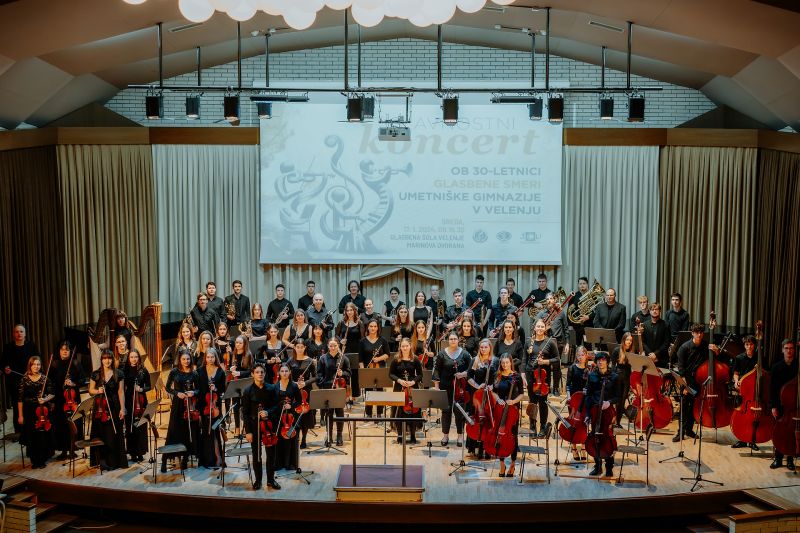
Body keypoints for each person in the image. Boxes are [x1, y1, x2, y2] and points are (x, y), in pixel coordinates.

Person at [674, 323, 720, 442]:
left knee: (694, 407)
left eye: (701, 332)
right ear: (692, 333)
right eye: (696, 332)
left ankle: (689, 430)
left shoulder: (705, 345)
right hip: (687, 381)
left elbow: (716, 358)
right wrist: (685, 386)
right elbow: (681, 369)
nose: (699, 335)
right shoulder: (684, 348)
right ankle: (680, 432)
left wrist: (717, 351)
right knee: (684, 407)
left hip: (700, 382)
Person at [241, 364, 281, 490]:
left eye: (262, 372)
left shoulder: (272, 388)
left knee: (271, 454)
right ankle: (258, 480)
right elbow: (245, 413)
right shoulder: (247, 391)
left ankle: (270, 480)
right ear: (252, 374)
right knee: (256, 454)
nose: (260, 374)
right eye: (257, 372)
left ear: (265, 373)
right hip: (254, 426)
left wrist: (268, 412)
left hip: (269, 425)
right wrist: (248, 431)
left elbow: (278, 405)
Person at [89, 350, 127, 471]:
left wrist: (122, 408)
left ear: (112, 359)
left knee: (113, 434)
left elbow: (121, 391)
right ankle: (101, 460)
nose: (107, 361)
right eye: (105, 358)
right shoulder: (95, 374)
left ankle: (115, 461)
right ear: (101, 360)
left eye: (109, 358)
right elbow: (91, 390)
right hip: (100, 407)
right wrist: (98, 391)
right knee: (101, 433)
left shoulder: (119, 373)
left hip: (114, 406)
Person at [162, 350, 200, 472]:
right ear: (180, 359)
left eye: (188, 359)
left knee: (187, 431)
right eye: (183, 359)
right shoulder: (174, 371)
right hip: (178, 404)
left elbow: (199, 389)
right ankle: (165, 458)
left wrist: (193, 392)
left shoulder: (194, 373)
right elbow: (168, 388)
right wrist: (177, 393)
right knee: (173, 430)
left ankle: (185, 457)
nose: (186, 361)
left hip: (189, 405)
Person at [432, 331, 472, 447]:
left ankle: (460, 435)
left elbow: (471, 369)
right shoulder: (442, 354)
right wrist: (437, 387)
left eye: (455, 339)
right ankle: (445, 435)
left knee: (459, 412)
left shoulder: (465, 354)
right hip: (445, 387)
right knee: (446, 411)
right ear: (448, 340)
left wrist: (463, 374)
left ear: (458, 340)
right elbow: (437, 370)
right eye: (451, 339)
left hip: (460, 389)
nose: (453, 341)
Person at [584, 351, 618, 477]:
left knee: (607, 438)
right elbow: (588, 396)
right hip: (594, 411)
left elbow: (619, 396)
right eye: (598, 360)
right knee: (595, 438)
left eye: (603, 360)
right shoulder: (592, 376)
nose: (600, 362)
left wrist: (609, 402)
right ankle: (597, 466)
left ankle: (609, 467)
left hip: (608, 411)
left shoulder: (614, 377)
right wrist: (588, 414)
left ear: (607, 362)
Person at [522, 319, 559, 437]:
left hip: (544, 376)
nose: (540, 328)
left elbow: (557, 359)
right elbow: (524, 359)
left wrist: (545, 361)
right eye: (538, 326)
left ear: (545, 328)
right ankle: (532, 426)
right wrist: (523, 373)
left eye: (542, 326)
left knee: (543, 402)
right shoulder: (529, 341)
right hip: (530, 374)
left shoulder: (550, 342)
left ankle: (543, 427)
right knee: (532, 401)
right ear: (534, 328)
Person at [17, 355, 55, 468]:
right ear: (30, 365)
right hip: (29, 411)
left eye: (38, 364)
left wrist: (45, 399)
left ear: (40, 366)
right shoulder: (24, 379)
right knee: (32, 435)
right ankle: (34, 460)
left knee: (42, 435)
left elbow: (52, 394)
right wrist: (20, 416)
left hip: (42, 411)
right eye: (34, 364)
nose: (36, 366)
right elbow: (20, 399)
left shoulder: (45, 378)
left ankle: (42, 458)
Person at [490, 354, 524, 477]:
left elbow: (521, 394)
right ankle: (502, 464)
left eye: (507, 362)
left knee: (513, 436)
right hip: (500, 409)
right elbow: (493, 391)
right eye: (503, 363)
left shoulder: (517, 376)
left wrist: (513, 401)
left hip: (512, 410)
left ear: (511, 363)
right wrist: (498, 399)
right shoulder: (497, 375)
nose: (505, 365)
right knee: (500, 436)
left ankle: (513, 463)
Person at [50, 340, 84, 459]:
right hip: (60, 399)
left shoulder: (75, 363)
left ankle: (72, 448)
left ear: (70, 351)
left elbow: (83, 380)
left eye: (67, 350)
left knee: (74, 423)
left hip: (73, 399)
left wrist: (73, 383)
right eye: (62, 349)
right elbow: (50, 383)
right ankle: (63, 450)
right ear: (59, 351)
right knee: (61, 424)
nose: (65, 352)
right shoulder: (54, 364)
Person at [466, 339, 497, 458]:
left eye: (486, 347)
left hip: (490, 395)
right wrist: (477, 386)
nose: (483, 349)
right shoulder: (475, 360)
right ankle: (474, 446)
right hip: (477, 396)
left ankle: (487, 448)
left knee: (488, 421)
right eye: (481, 347)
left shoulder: (495, 361)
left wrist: (492, 386)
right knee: (476, 420)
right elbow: (469, 376)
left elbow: (498, 377)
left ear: (490, 348)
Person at [317, 337, 351, 447]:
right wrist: (323, 384)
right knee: (329, 412)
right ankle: (329, 436)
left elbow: (349, 373)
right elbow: (319, 374)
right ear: (328, 346)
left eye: (335, 346)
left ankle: (339, 436)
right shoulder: (323, 358)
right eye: (330, 346)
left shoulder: (343, 358)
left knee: (339, 412)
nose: (332, 348)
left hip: (339, 388)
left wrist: (343, 374)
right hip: (327, 388)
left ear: (338, 346)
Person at [535, 291, 570, 394]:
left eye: (551, 299)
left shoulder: (561, 312)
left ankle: (555, 387)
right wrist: (545, 328)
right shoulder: (542, 314)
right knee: (546, 366)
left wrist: (567, 343)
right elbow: (535, 328)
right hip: (545, 342)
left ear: (555, 300)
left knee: (556, 366)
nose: (549, 301)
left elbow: (566, 329)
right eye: (547, 299)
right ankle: (547, 387)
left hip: (558, 342)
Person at [770, 339, 797, 470]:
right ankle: (778, 458)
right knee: (779, 432)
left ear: (794, 350)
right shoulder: (776, 367)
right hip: (781, 405)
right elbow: (772, 389)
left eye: (791, 348)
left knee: (792, 432)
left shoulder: (798, 366)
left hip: (795, 405)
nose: (789, 351)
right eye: (786, 348)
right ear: (782, 350)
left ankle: (790, 458)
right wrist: (773, 406)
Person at [389, 338, 422, 444]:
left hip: (412, 387)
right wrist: (399, 380)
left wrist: (413, 382)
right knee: (399, 412)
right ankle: (400, 435)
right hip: (399, 387)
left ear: (410, 346)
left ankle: (413, 435)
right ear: (400, 347)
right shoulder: (396, 359)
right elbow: (391, 374)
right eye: (403, 346)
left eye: (406, 346)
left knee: (414, 412)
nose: (405, 348)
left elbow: (420, 375)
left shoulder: (415, 359)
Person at [197, 349, 225, 469]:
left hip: (215, 406)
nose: (210, 359)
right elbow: (198, 389)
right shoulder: (200, 371)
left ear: (215, 358)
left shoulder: (220, 371)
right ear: (205, 358)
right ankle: (206, 459)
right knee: (205, 433)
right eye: (208, 357)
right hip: (203, 406)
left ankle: (218, 458)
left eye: (212, 357)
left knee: (215, 432)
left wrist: (216, 389)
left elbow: (223, 388)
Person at [730, 335, 760, 449]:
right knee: (742, 416)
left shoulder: (760, 358)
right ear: (744, 346)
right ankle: (741, 439)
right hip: (743, 390)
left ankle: (752, 440)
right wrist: (736, 381)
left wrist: (760, 368)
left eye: (751, 344)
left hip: (756, 391)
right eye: (747, 344)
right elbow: (736, 373)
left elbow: (767, 374)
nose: (749, 347)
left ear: (755, 345)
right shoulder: (739, 358)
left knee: (754, 417)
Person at [359, 319, 390, 420]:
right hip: (368, 369)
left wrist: (378, 359)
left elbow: (387, 354)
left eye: (375, 326)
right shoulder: (363, 341)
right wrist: (363, 372)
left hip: (380, 369)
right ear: (368, 327)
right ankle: (368, 413)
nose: (373, 328)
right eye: (371, 326)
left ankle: (379, 413)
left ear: (378, 328)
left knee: (380, 390)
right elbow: (360, 359)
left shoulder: (382, 340)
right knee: (368, 391)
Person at [123, 349, 150, 463]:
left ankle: (140, 452)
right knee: (130, 427)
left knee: (141, 426)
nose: (134, 359)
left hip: (141, 400)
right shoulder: (125, 370)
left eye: (136, 357)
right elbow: (122, 386)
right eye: (131, 357)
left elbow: (149, 386)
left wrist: (141, 389)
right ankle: (132, 452)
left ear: (139, 358)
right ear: (128, 359)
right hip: (129, 400)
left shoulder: (143, 370)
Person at [273, 364, 302, 472]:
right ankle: (279, 463)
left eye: (286, 371)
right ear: (279, 373)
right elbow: (273, 402)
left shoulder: (294, 386)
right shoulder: (275, 386)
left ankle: (290, 464)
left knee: (290, 440)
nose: (284, 373)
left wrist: (291, 406)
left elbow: (299, 401)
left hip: (290, 418)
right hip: (278, 417)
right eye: (282, 371)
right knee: (279, 440)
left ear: (290, 372)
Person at [288, 339, 316, 448]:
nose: (299, 349)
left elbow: (315, 377)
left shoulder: (310, 361)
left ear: (305, 348)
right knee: (295, 415)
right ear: (294, 348)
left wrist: (305, 383)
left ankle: (304, 439)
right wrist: (294, 383)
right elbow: (285, 375)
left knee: (305, 416)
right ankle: (296, 438)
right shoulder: (290, 361)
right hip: (294, 391)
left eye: (301, 347)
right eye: (297, 347)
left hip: (306, 392)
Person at [565, 346, 591, 460]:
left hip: (584, 399)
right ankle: (574, 447)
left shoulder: (589, 370)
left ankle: (584, 446)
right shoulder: (572, 368)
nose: (581, 357)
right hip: (574, 399)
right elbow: (568, 385)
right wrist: (569, 398)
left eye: (583, 355)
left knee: (584, 423)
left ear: (586, 356)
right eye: (579, 355)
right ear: (576, 356)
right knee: (573, 423)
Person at [336, 302, 364, 399]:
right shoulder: (341, 322)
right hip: (345, 351)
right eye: (347, 310)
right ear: (345, 311)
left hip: (356, 351)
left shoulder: (359, 323)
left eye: (351, 310)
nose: (349, 312)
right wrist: (341, 340)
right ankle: (346, 396)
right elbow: (336, 335)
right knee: (346, 373)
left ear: (354, 311)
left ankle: (355, 396)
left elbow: (362, 339)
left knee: (355, 374)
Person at [226, 335, 253, 435]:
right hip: (235, 383)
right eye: (236, 342)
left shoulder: (248, 355)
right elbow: (229, 368)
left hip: (245, 383)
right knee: (236, 406)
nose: (237, 344)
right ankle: (237, 428)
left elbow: (251, 371)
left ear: (244, 344)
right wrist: (231, 369)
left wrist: (239, 373)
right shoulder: (233, 354)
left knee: (245, 407)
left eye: (240, 343)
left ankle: (246, 428)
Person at [612, 333, 634, 427]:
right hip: (618, 378)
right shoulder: (617, 350)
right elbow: (613, 366)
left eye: (630, 340)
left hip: (627, 379)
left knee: (622, 401)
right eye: (627, 340)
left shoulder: (632, 352)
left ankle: (618, 422)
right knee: (617, 400)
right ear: (623, 340)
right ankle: (613, 420)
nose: (629, 342)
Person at [568, 277, 594, 349]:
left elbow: (597, 311)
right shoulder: (574, 296)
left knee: (588, 346)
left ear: (587, 284)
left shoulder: (591, 295)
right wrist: (570, 324)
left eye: (584, 283)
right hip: (576, 326)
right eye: (580, 284)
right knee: (576, 346)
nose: (582, 285)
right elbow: (569, 311)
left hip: (588, 325)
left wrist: (588, 317)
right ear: (578, 285)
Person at [642, 303, 671, 367]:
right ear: (649, 311)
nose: (654, 311)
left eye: (656, 309)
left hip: (661, 358)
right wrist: (650, 354)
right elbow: (643, 342)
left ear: (660, 311)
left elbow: (667, 342)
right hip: (648, 357)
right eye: (652, 309)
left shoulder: (666, 325)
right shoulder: (644, 325)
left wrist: (656, 354)